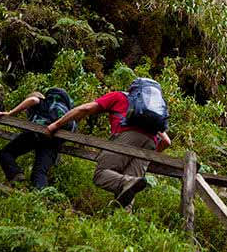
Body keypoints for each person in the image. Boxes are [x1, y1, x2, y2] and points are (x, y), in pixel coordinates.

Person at [45, 78, 171, 208]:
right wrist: (149, 155)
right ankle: (123, 220)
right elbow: (166, 141)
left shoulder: (119, 96)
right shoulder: (152, 115)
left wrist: (56, 124)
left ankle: (128, 182)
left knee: (102, 174)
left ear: (131, 89)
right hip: (151, 143)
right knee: (129, 188)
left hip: (127, 136)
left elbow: (86, 108)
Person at [0, 88, 75, 189]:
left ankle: (16, 176)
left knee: (5, 153)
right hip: (53, 142)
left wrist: (10, 113)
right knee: (39, 172)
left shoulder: (41, 103)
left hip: (35, 135)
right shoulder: (60, 111)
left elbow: (33, 100)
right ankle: (41, 198)